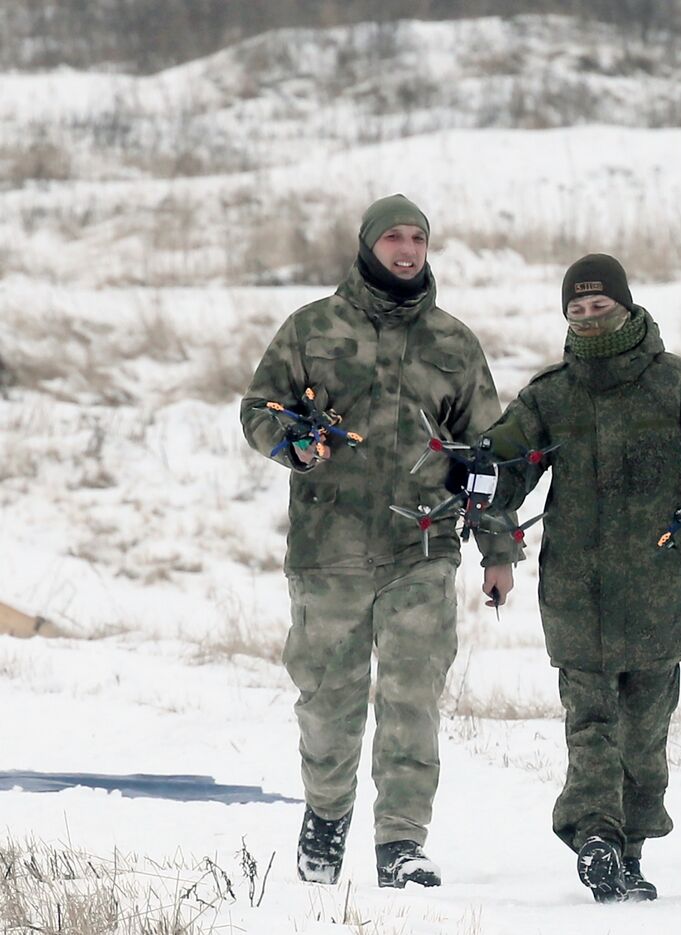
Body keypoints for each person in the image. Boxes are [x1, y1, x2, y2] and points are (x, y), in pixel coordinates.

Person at [239, 194, 520, 889]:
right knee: (328, 699)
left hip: (420, 551)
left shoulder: (453, 344)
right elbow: (257, 408)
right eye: (393, 236)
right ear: (368, 246)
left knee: (412, 696)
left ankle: (400, 842)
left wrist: (499, 552)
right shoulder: (312, 327)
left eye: (418, 237)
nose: (407, 248)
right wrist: (291, 443)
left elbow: (489, 456)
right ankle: (326, 817)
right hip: (327, 550)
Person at [464, 254, 681, 902]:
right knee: (591, 725)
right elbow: (505, 471)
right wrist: (482, 475)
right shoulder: (550, 396)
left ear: (625, 307)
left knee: (644, 739)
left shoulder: (679, 386)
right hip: (577, 593)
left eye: (600, 307)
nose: (590, 320)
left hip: (660, 592)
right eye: (577, 310)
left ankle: (627, 848)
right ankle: (596, 838)